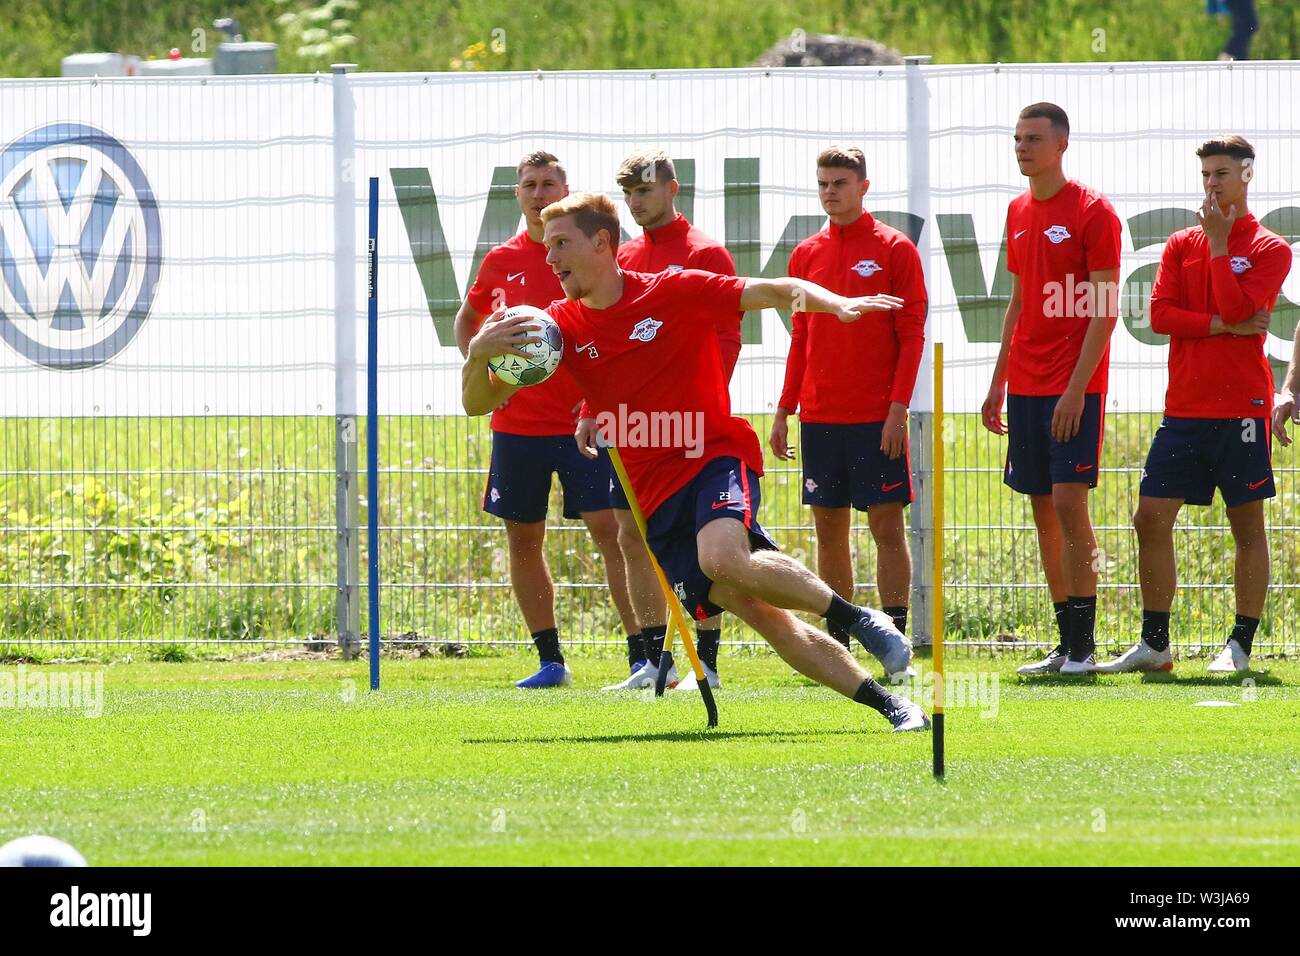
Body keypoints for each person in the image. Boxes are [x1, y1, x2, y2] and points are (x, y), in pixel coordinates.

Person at [462, 192, 930, 732]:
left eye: (561, 244)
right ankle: (894, 706)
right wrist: (479, 353)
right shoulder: (558, 329)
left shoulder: (673, 289)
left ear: (602, 244)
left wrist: (836, 303)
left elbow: (776, 290)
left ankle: (860, 621)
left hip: (711, 454)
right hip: (652, 496)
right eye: (547, 248)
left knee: (722, 558)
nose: (550, 258)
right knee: (759, 612)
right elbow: (479, 402)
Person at [1097, 135, 1292, 674]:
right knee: (1149, 518)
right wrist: (1220, 326)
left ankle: (1239, 646)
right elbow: (1160, 316)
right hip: (1184, 408)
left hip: (1243, 409)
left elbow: (1241, 305)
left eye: (1222, 173)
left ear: (1247, 175)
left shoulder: (1271, 248)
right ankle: (1156, 644)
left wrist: (1221, 246)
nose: (1211, 183)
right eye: (1207, 173)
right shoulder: (1181, 243)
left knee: (1246, 527)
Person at [453, 152, 641, 688]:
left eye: (549, 184)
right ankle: (551, 661)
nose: (539, 193)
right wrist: (487, 372)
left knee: (613, 533)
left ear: (565, 189)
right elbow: (468, 321)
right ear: (517, 194)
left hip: (583, 423)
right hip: (518, 428)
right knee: (523, 539)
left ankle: (642, 655)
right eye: (529, 185)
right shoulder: (499, 261)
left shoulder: (587, 253)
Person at [580, 148, 742, 692]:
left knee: (697, 538)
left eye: (644, 191)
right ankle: (654, 662)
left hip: (687, 424)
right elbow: (601, 339)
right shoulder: (621, 256)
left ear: (673, 189)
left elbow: (726, 335)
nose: (635, 202)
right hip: (627, 424)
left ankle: (708, 663)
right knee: (631, 535)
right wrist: (589, 409)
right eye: (628, 194)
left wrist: (699, 404)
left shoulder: (705, 253)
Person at [981, 103, 1122, 675]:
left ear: (1062, 143)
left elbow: (1106, 311)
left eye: (1033, 138)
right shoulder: (1016, 209)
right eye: (1017, 138)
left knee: (1069, 504)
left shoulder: (1093, 212)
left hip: (1074, 388)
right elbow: (1017, 301)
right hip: (1028, 386)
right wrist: (997, 382)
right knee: (1043, 511)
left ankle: (1086, 647)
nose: (1022, 147)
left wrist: (1075, 389)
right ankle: (1066, 644)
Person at [770, 145, 927, 653]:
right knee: (829, 529)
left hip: (875, 418)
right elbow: (801, 337)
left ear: (863, 186)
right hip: (820, 417)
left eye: (839, 183)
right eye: (822, 183)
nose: (830, 192)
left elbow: (912, 336)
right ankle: (841, 639)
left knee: (885, 525)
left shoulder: (895, 248)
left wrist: (897, 410)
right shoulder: (806, 254)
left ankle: (895, 635)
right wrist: (784, 409)